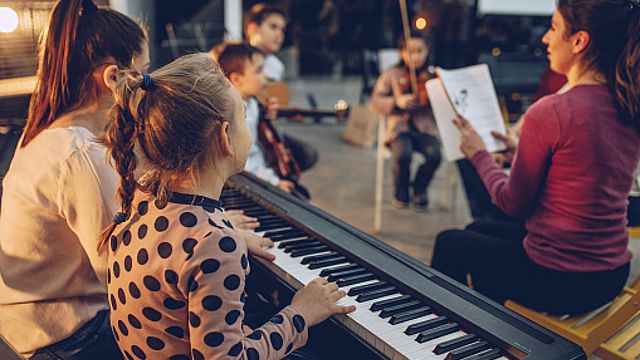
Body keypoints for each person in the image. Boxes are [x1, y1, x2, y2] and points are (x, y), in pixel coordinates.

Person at [99, 52, 355, 359]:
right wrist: (300, 312)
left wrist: (228, 232)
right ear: (224, 136)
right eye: (243, 117)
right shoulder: (214, 244)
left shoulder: (145, 195)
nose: (248, 128)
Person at [431, 0, 640, 315]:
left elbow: (511, 203)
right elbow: (583, 167)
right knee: (476, 230)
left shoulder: (552, 110)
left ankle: (452, 338)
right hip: (610, 274)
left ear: (580, 41)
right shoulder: (626, 101)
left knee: (449, 242)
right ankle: (497, 326)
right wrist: (521, 153)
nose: (545, 38)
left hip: (562, 280)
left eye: (554, 28)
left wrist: (478, 154)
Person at [0, 1, 148, 358]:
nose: (148, 86)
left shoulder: (45, 134)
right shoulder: (79, 153)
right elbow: (128, 276)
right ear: (112, 78)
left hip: (23, 323)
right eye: (144, 73)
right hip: (67, 339)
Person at [217, 43, 303, 196]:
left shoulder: (252, 102)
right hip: (249, 181)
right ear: (236, 79)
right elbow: (243, 163)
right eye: (259, 71)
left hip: (262, 172)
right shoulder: (235, 115)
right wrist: (274, 182)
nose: (266, 76)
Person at [369, 33, 442, 210]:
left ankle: (420, 188)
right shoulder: (392, 74)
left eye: (420, 51)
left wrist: (439, 89)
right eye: (410, 51)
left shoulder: (433, 76)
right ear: (401, 53)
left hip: (426, 129)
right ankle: (400, 189)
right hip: (399, 129)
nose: (415, 56)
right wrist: (396, 101)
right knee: (403, 154)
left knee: (435, 155)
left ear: (427, 51)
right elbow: (374, 102)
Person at [245, 3, 318, 175]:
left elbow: (272, 102)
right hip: (246, 135)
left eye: (283, 29)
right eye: (273, 27)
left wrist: (285, 112)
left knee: (306, 155)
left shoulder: (276, 66)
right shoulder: (235, 60)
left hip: (266, 130)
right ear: (253, 28)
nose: (279, 34)